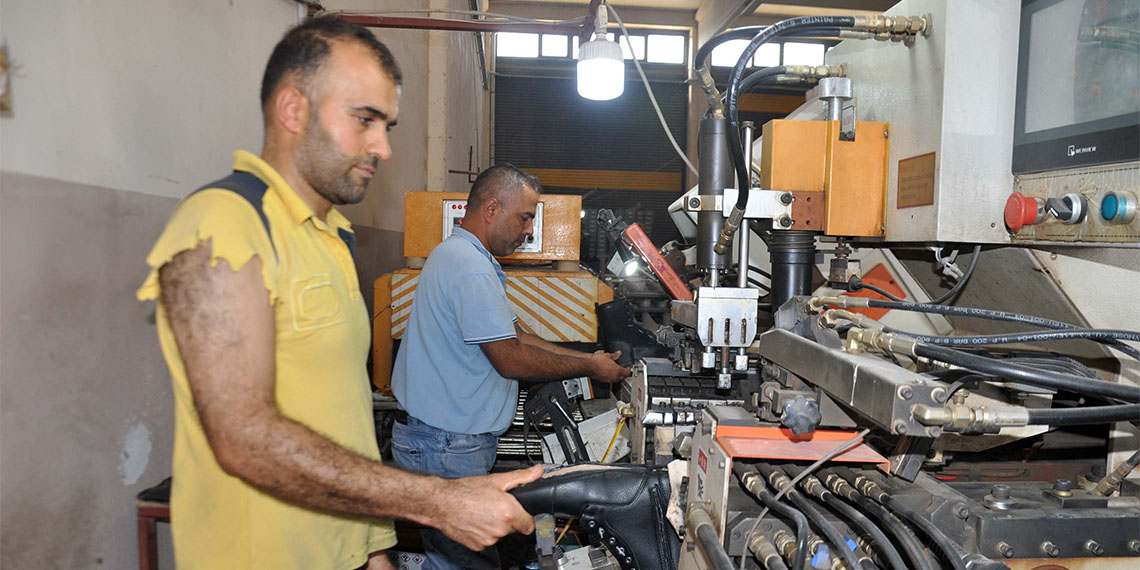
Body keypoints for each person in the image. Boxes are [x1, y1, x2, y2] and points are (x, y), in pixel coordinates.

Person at [137, 17, 542, 570]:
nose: (383, 146)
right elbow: (242, 437)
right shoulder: (221, 228)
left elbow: (340, 419)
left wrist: (373, 550)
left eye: (387, 125)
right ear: (293, 110)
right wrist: (439, 499)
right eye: (364, 120)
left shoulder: (330, 239)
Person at [390, 164, 632, 570]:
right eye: (524, 216)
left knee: (451, 559)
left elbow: (518, 335)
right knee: (463, 563)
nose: (529, 229)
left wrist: (589, 360)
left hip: (445, 442)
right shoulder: (468, 268)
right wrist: (588, 371)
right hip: (446, 446)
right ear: (491, 208)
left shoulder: (466, 257)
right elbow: (510, 358)